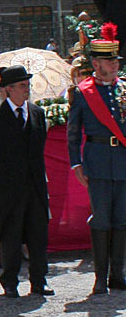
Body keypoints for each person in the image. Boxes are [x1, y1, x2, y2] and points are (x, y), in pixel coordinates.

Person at [0, 64, 53, 297]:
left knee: (38, 234)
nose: (26, 90)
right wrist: (3, 173)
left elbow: (40, 145)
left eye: (27, 85)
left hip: (35, 185)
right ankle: (10, 280)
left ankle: (39, 280)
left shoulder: (37, 112)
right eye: (22, 86)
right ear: (8, 89)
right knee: (11, 234)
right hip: (9, 186)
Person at [67, 24, 126, 294]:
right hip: (98, 163)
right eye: (108, 60)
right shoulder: (83, 92)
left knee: (122, 220)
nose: (114, 65)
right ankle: (100, 277)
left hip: (123, 162)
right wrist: (76, 164)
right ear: (95, 63)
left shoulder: (123, 89)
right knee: (101, 220)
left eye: (115, 60)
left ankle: (118, 274)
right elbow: (73, 133)